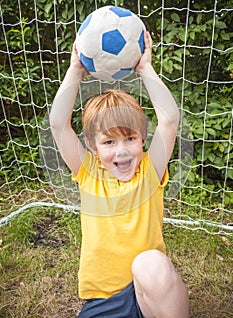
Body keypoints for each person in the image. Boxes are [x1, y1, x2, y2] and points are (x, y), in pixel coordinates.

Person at [50, 31, 189, 318]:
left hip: (147, 296)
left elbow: (170, 119)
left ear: (142, 139)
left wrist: (145, 69)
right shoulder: (88, 173)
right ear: (92, 146)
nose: (122, 152)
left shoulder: (150, 172)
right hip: (104, 301)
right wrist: (75, 70)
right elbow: (59, 126)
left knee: (150, 263)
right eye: (109, 142)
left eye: (130, 139)